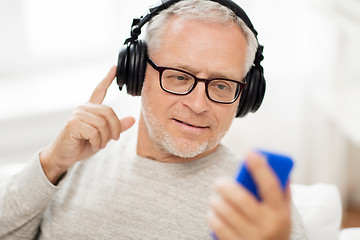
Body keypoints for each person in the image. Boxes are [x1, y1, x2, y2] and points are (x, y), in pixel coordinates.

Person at [0, 0, 308, 239]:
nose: (199, 104)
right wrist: (51, 163)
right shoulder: (73, 158)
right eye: (178, 77)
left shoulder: (259, 210)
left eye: (221, 85)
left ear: (247, 95)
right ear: (136, 73)